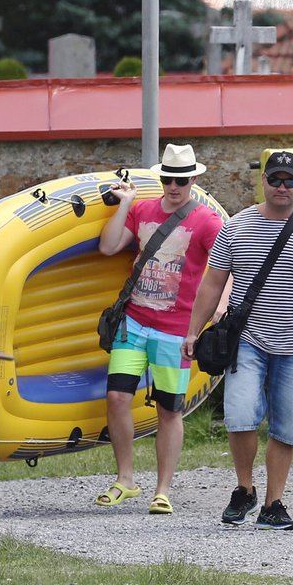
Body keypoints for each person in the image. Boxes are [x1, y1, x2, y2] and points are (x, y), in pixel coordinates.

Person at [183, 150, 293, 531]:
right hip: (248, 341)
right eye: (275, 179)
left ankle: (274, 503)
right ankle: (245, 489)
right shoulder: (237, 227)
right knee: (240, 417)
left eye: (290, 180)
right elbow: (212, 284)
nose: (282, 187)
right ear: (264, 182)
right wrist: (193, 329)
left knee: (286, 428)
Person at [95, 143, 225, 515]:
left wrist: (218, 306)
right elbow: (108, 247)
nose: (173, 186)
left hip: (176, 328)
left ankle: (163, 489)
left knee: (169, 410)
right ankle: (126, 479)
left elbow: (223, 266)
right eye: (168, 178)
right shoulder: (144, 210)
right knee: (117, 396)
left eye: (181, 179)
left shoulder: (207, 221)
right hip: (134, 321)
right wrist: (125, 203)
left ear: (194, 180)